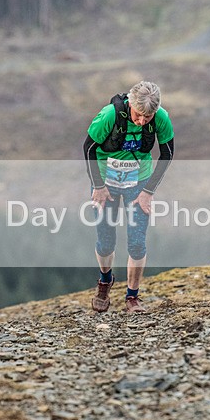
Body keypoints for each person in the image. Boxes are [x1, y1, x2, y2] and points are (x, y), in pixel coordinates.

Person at [83, 81, 175, 313]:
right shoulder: (109, 115)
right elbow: (89, 149)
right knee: (105, 242)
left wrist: (148, 192)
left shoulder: (161, 118)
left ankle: (132, 297)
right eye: (138, 115)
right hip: (106, 181)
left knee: (136, 243)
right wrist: (98, 185)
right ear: (130, 105)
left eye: (148, 117)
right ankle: (105, 281)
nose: (142, 121)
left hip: (138, 182)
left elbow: (167, 154)